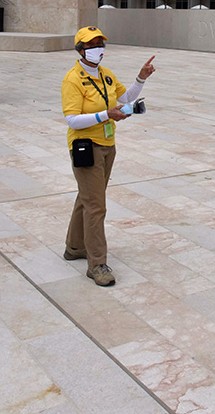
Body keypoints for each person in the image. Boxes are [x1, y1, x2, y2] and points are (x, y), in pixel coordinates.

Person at [61, 26, 155, 286]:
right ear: (81, 50)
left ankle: (74, 247)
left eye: (100, 44)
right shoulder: (73, 78)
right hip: (85, 145)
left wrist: (141, 79)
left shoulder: (106, 75)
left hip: (107, 143)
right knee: (96, 206)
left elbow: (124, 98)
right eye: (91, 46)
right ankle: (97, 263)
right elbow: (72, 119)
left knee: (88, 197)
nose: (97, 49)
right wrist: (106, 115)